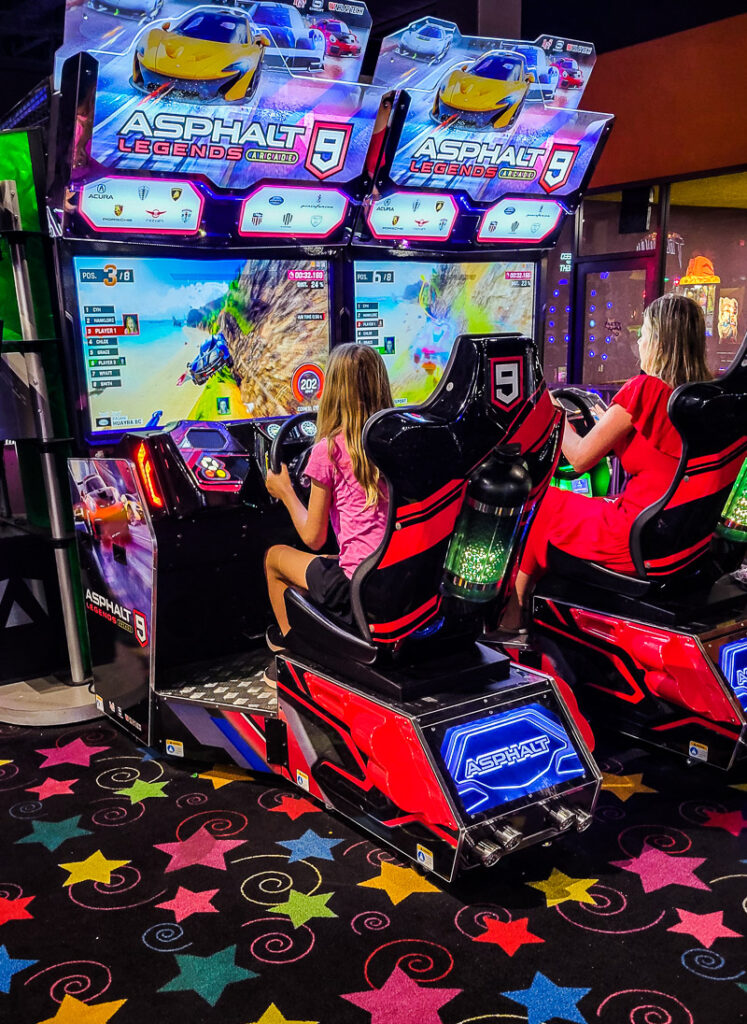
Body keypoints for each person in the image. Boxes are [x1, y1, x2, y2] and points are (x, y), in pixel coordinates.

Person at [502, 293, 713, 633]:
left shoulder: (644, 389)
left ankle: (514, 615)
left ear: (660, 341)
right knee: (572, 508)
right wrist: (608, 424)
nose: (640, 341)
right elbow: (659, 453)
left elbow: (579, 458)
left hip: (637, 535)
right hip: (674, 539)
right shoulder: (699, 397)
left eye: (644, 333)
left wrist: (550, 409)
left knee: (543, 503)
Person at [262, 344, 393, 683]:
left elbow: (312, 537)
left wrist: (285, 491)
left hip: (355, 590)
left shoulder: (328, 450)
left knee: (275, 560)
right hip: (393, 582)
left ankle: (288, 660)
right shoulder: (397, 443)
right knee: (329, 559)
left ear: (333, 391)